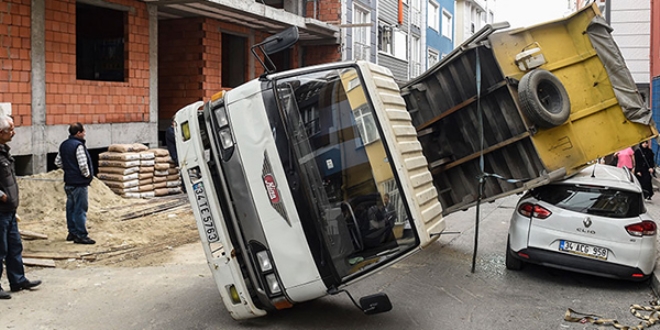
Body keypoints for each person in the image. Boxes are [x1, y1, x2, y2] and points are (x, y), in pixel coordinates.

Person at [0, 114, 42, 299]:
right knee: (0, 250)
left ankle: (17, 280)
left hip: (9, 210)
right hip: (0, 210)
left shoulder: (4, 151)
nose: (14, 133)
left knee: (15, 247)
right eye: (11, 130)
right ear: (0, 132)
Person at [55, 123, 95, 244]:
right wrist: (87, 175)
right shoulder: (78, 146)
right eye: (83, 132)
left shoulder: (64, 145)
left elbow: (58, 162)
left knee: (70, 208)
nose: (84, 134)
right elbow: (83, 164)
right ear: (78, 133)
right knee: (80, 209)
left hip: (69, 182)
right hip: (79, 183)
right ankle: (81, 235)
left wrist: (69, 169)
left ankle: (72, 232)